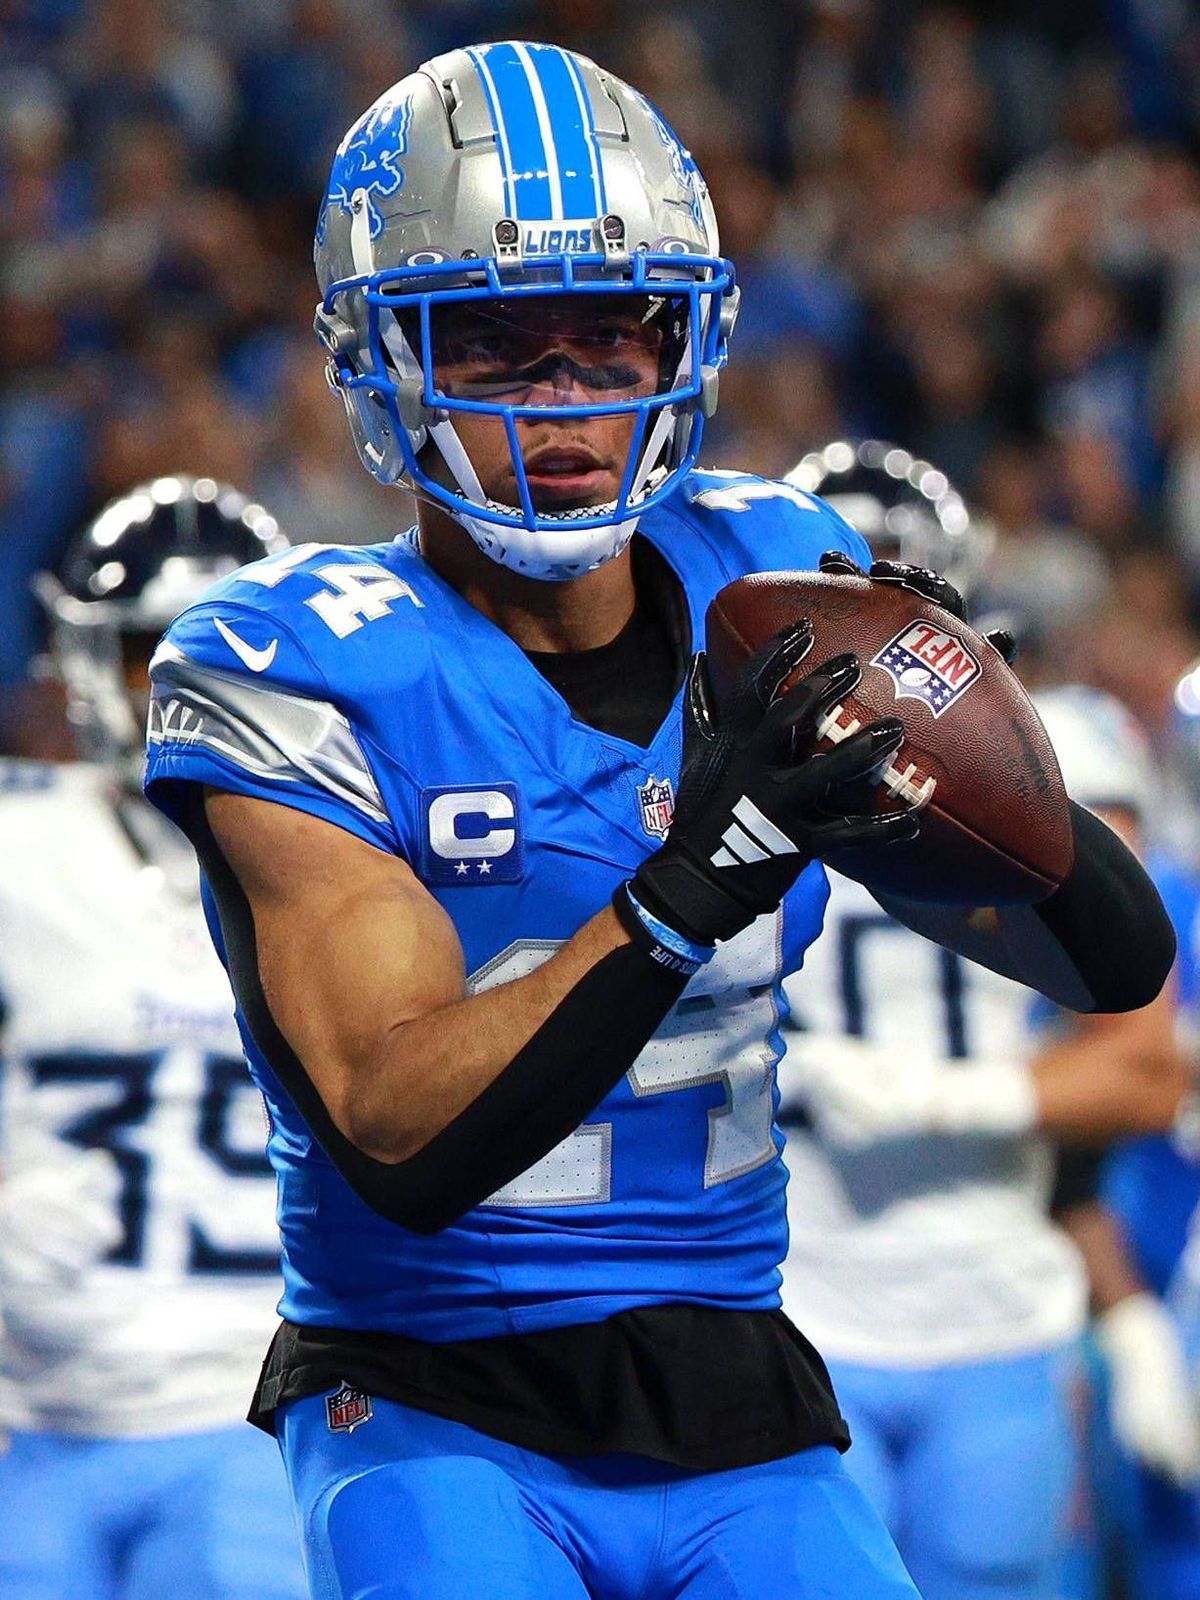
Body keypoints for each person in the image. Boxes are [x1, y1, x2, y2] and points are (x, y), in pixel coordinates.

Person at [141, 44, 1174, 1600]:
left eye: (611, 339)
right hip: (431, 1392)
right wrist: (699, 875)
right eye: (494, 348)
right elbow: (403, 1131)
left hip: (735, 1381)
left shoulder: (769, 583)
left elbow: (1110, 961)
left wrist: (967, 738)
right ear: (382, 359)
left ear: (684, 341)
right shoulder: (300, 660)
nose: (563, 404)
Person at [777, 443, 1189, 1600]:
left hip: (996, 1304)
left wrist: (940, 1094)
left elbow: (1143, 1065)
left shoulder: (1056, 754)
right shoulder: (716, 756)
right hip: (799, 1311)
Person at [0, 477, 307, 1600]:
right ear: (82, 661)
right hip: (29, 1429)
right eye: (147, 655)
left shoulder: (376, 859)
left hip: (260, 1429)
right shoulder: (21, 853)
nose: (180, 694)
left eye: (220, 657)